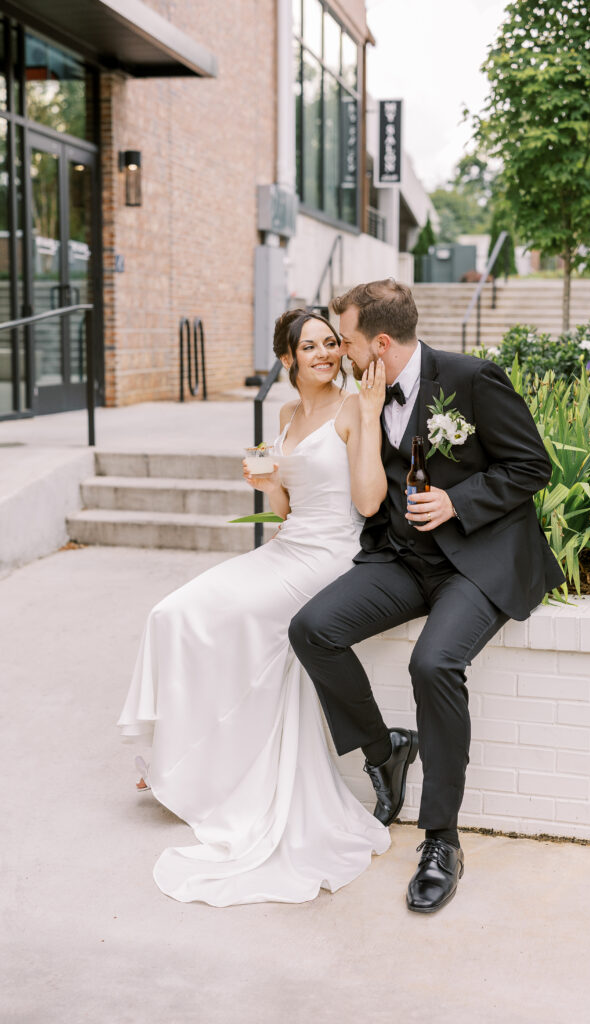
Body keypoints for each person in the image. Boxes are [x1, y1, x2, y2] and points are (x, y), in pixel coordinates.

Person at [289, 279, 565, 914]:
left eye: (350, 342)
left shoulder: (470, 379)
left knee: (433, 663)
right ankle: (385, 753)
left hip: (476, 562)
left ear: (381, 343)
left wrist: (456, 500)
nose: (342, 354)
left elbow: (530, 467)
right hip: (403, 560)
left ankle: (441, 839)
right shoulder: (366, 394)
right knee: (312, 628)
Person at [117, 308, 394, 907]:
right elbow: (291, 508)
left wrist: (370, 418)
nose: (324, 353)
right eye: (310, 346)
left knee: (234, 619)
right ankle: (185, 761)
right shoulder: (287, 413)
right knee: (174, 612)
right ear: (287, 359)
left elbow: (369, 502)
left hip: (331, 555)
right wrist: (267, 487)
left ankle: (204, 770)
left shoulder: (353, 408)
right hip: (290, 545)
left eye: (330, 343)